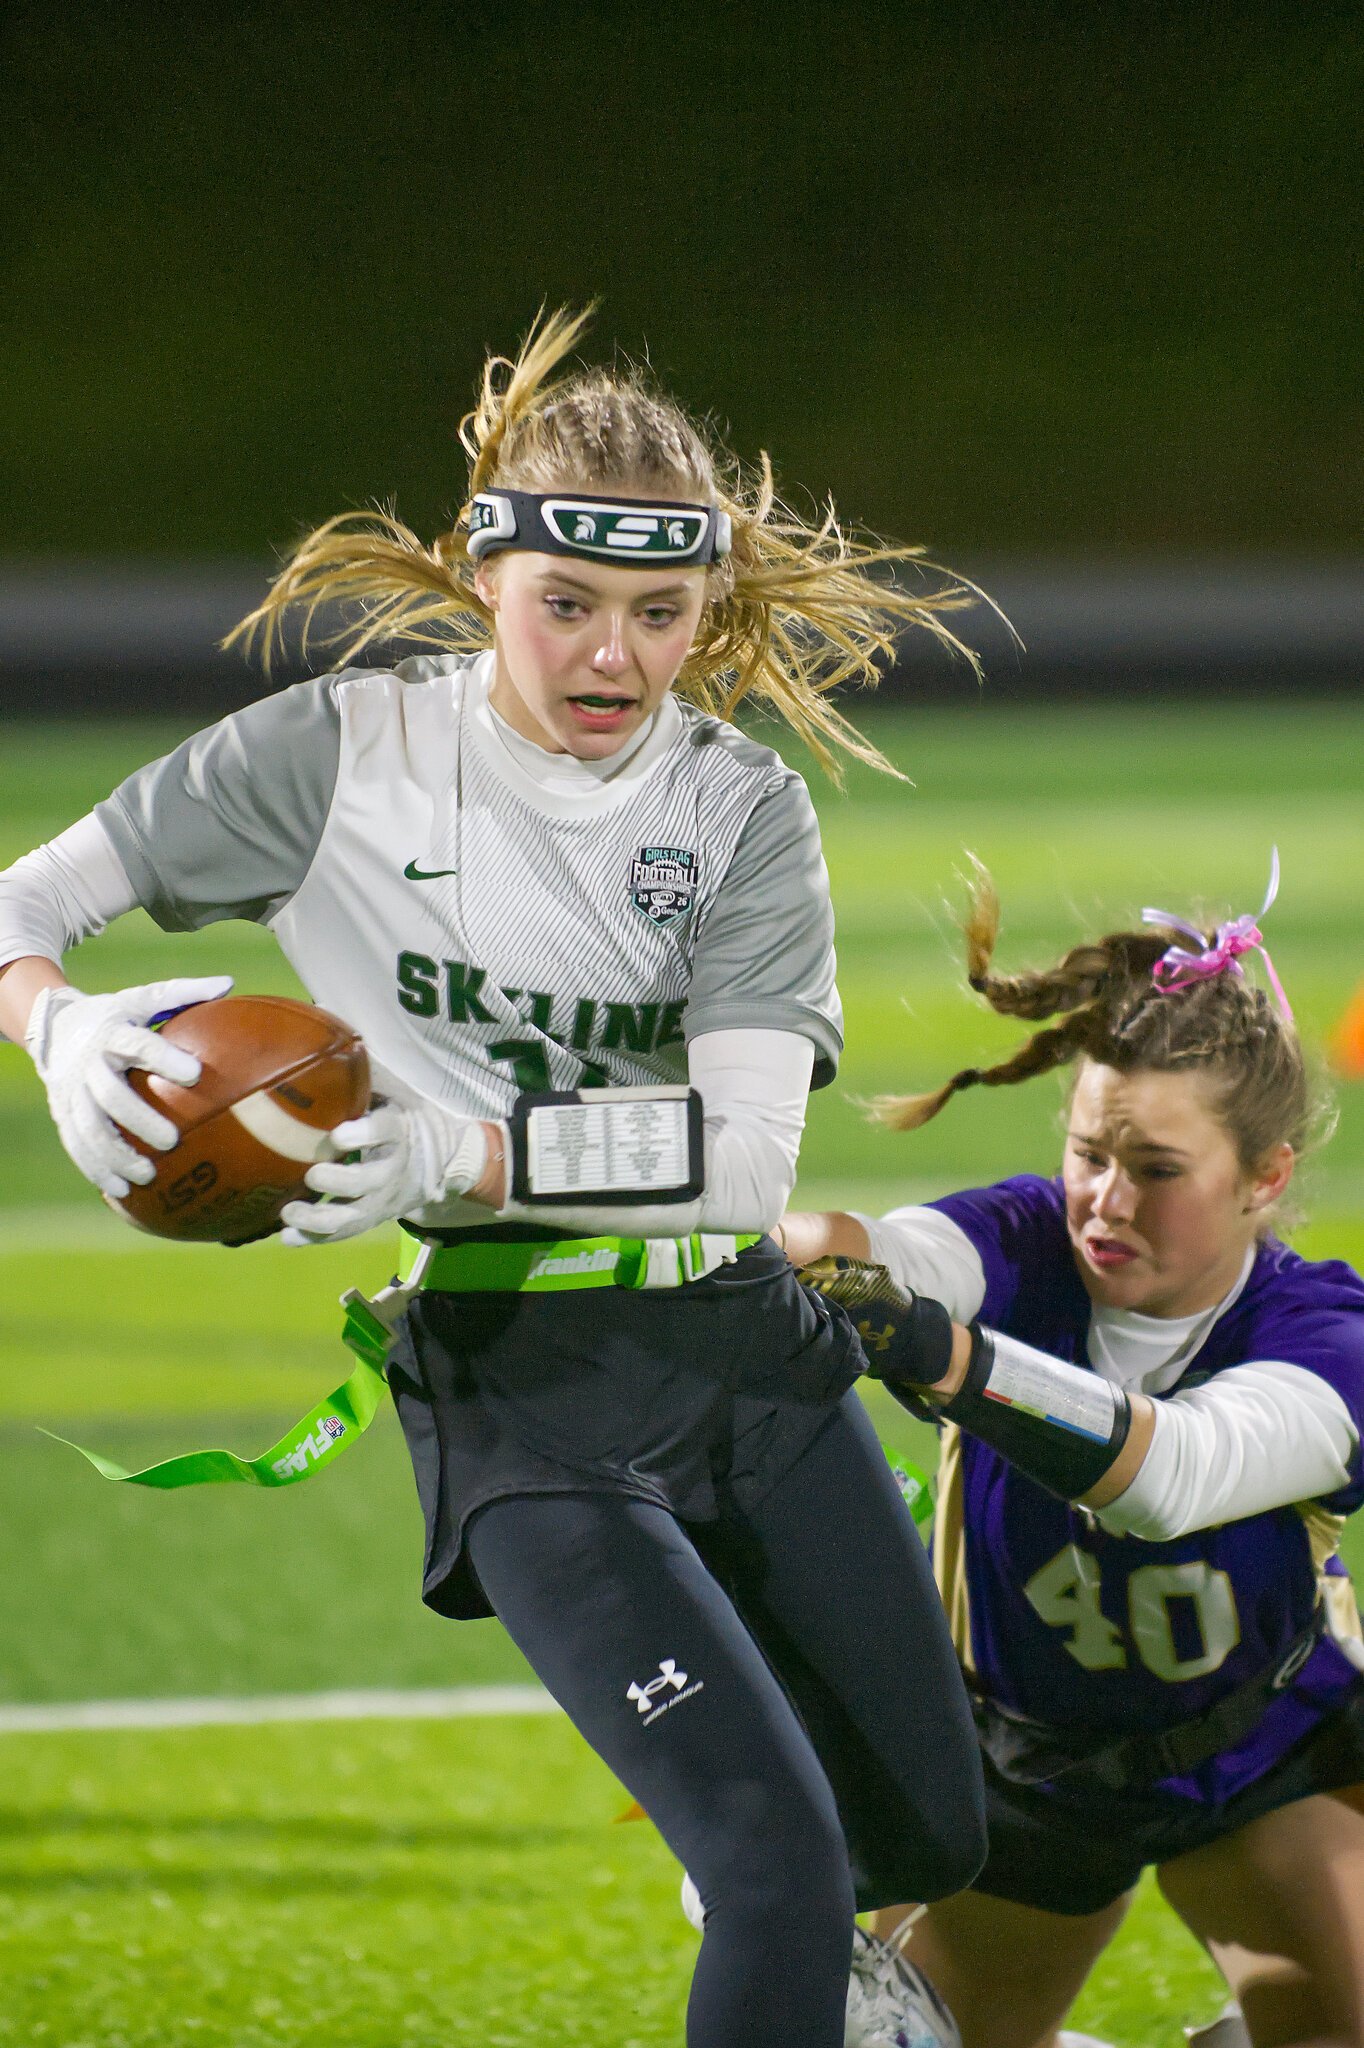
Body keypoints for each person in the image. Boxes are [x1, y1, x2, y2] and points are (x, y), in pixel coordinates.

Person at [0, 309, 988, 2048]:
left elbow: (746, 1157)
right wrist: (60, 1031)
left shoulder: (736, 805)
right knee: (775, 1862)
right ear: (483, 575)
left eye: (661, 615)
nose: (614, 655)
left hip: (744, 1346)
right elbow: (20, 907)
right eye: (567, 604)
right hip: (514, 1386)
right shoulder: (333, 757)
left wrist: (452, 1149)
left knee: (931, 1825)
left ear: (704, 605)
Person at [784, 864, 1364, 2048]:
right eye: (1087, 1151)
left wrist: (943, 1356)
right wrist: (746, 1237)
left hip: (1265, 1744)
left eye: (1155, 1170)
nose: (1103, 1200)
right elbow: (867, 1248)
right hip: (1022, 1764)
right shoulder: (1018, 1238)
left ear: (1264, 1179)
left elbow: (1173, 1475)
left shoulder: (1329, 1336)